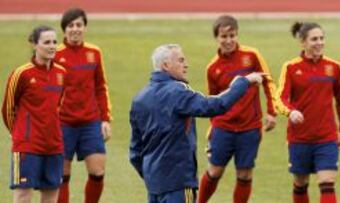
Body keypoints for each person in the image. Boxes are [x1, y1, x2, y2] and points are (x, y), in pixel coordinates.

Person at [129, 44, 266, 203]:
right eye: (180, 60)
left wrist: (152, 176)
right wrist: (243, 82)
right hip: (179, 184)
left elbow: (135, 151)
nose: (186, 64)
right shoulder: (177, 92)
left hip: (154, 187)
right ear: (166, 65)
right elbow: (215, 106)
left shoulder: (139, 99)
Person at [198, 15, 277, 203]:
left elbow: (268, 81)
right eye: (224, 36)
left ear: (237, 34)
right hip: (223, 128)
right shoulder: (213, 68)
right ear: (216, 38)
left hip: (249, 127)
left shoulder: (252, 56)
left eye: (232, 35)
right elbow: (213, 101)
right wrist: (214, 127)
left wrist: (272, 112)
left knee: (245, 173)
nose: (228, 41)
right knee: (215, 171)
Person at [276, 22, 340, 203]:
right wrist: (291, 112)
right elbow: (279, 99)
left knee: (327, 182)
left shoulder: (334, 67)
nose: (319, 43)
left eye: (321, 38)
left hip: (326, 137)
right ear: (303, 42)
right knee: (300, 183)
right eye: (314, 39)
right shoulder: (291, 67)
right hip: (299, 138)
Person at [2, 25, 66, 203]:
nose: (52, 46)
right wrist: (20, 133)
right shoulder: (21, 74)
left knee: (51, 195)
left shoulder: (61, 73)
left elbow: (58, 105)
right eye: (46, 42)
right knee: (23, 196)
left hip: (54, 145)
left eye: (54, 42)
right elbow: (7, 108)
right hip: (27, 145)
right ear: (34, 45)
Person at [54, 8, 112, 203]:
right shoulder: (55, 55)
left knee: (98, 172)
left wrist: (105, 119)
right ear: (64, 30)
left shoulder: (94, 53)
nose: (75, 29)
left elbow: (100, 87)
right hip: (63, 123)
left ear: (85, 28)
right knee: (62, 175)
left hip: (90, 122)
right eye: (71, 25)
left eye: (79, 25)